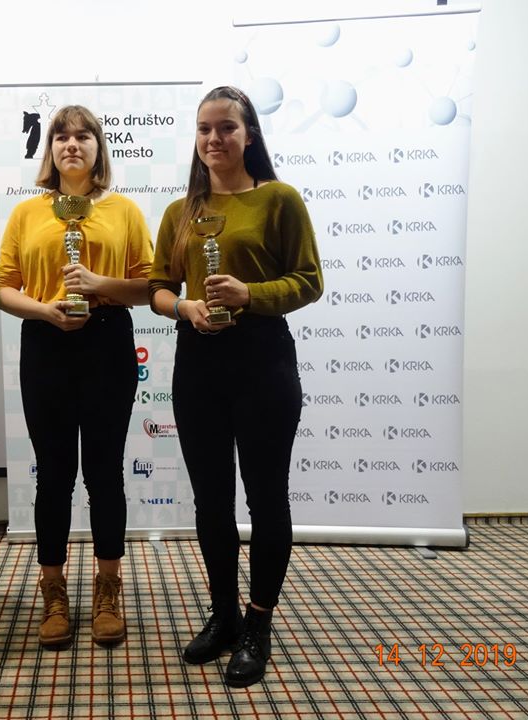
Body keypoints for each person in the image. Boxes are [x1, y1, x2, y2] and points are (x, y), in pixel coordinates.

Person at [149, 86, 323, 687]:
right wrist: (185, 307)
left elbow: (309, 281)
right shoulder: (180, 211)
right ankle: (223, 614)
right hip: (198, 364)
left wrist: (251, 294)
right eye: (204, 128)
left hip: (263, 363)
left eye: (226, 127)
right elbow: (158, 286)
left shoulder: (279, 199)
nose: (214, 138)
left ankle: (258, 623)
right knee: (210, 501)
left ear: (249, 135)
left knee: (267, 498)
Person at [0, 105, 153, 648]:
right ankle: (54, 590)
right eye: (62, 136)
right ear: (51, 150)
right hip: (46, 343)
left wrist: (99, 282)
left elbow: (149, 287)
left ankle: (108, 588)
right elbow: (3, 287)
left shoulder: (124, 211)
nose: (72, 144)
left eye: (84, 135)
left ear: (98, 147)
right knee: (54, 475)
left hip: (107, 341)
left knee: (105, 473)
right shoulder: (26, 213)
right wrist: (45, 310)